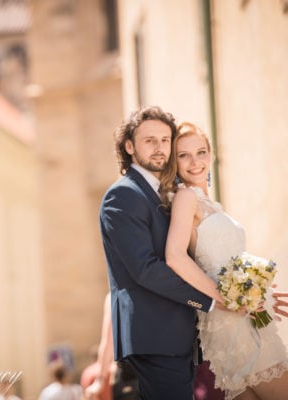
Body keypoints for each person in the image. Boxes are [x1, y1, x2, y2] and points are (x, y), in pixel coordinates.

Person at [162, 121, 288, 400]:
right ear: (174, 161)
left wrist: (261, 294)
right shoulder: (185, 197)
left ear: (211, 154)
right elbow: (174, 256)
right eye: (184, 155)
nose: (195, 162)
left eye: (201, 151)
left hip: (246, 317)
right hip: (231, 321)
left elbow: (228, 262)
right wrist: (224, 297)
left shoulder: (208, 200)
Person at [99, 106, 214, 400]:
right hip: (153, 337)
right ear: (129, 146)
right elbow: (146, 268)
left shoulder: (167, 191)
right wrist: (209, 300)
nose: (160, 148)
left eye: (165, 140)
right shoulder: (122, 195)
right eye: (150, 140)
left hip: (177, 337)